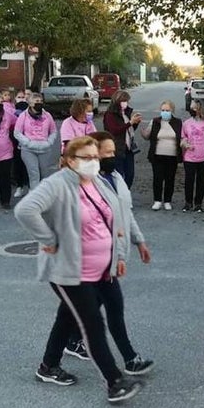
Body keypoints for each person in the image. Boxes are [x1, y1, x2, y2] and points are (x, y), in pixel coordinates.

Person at [13, 136, 141, 404]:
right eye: (87, 158)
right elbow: (25, 210)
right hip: (70, 271)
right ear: (71, 161)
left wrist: (119, 253)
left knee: (69, 316)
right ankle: (114, 381)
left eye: (96, 157)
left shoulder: (98, 183)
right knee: (93, 323)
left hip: (101, 268)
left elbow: (115, 217)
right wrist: (48, 239)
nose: (94, 162)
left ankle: (48, 366)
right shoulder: (57, 184)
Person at [59, 131, 155, 376]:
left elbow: (126, 212)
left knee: (74, 311)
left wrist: (139, 241)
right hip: (96, 260)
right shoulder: (85, 185)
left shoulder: (116, 177)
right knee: (111, 308)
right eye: (108, 153)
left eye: (115, 151)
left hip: (112, 256)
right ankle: (129, 359)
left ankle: (56, 355)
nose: (114, 156)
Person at [140, 100, 183, 211]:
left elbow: (182, 137)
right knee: (157, 178)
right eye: (163, 110)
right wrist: (143, 132)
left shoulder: (178, 122)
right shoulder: (155, 121)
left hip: (172, 156)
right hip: (157, 155)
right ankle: (157, 200)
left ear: (172, 111)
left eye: (167, 110)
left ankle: (167, 201)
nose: (164, 112)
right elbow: (147, 135)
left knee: (170, 179)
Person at [15, 92, 58, 190]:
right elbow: (17, 132)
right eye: (37, 101)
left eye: (41, 101)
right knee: (34, 173)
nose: (39, 103)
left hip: (44, 148)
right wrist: (27, 143)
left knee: (44, 174)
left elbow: (53, 131)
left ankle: (43, 195)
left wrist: (49, 142)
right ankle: (33, 196)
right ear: (30, 103)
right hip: (28, 149)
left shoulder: (47, 115)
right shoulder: (23, 116)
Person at [181, 99, 204, 213]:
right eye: (191, 107)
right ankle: (188, 203)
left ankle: (198, 204)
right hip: (189, 157)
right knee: (189, 180)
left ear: (200, 109)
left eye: (194, 107)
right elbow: (183, 138)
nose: (191, 109)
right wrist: (185, 144)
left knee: (201, 181)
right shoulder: (186, 123)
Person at [102, 90, 142, 189]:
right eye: (123, 101)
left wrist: (135, 123)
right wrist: (130, 123)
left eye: (127, 101)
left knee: (130, 175)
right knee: (118, 176)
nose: (125, 103)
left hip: (128, 148)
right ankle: (118, 196)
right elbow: (114, 130)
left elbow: (129, 130)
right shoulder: (110, 115)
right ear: (117, 101)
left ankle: (125, 193)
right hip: (117, 149)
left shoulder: (126, 113)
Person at [10, 90, 30, 197]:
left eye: (24, 97)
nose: (22, 99)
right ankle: (20, 185)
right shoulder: (11, 112)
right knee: (18, 164)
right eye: (19, 97)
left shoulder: (30, 111)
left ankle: (31, 187)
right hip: (16, 141)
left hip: (29, 141)